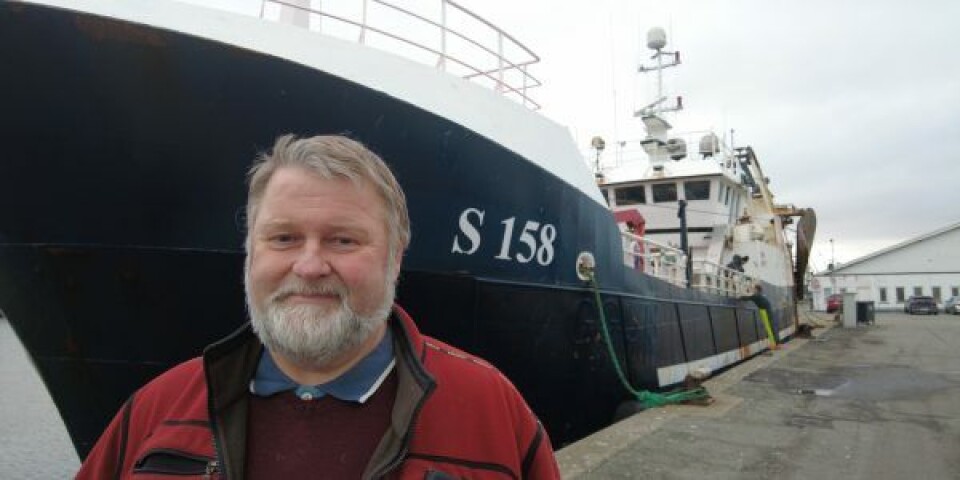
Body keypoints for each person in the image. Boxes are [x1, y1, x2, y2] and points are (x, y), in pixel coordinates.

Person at [78, 135, 560, 479]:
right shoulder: (153, 411)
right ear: (251, 252)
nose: (309, 266)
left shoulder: (493, 413)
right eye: (284, 238)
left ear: (394, 259)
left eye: (343, 240)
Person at [740, 284, 779, 351]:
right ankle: (776, 343)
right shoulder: (760, 295)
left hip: (765, 312)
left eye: (754, 289)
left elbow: (747, 298)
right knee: (771, 327)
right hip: (767, 311)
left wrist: (739, 297)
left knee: (769, 328)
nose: (753, 290)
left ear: (757, 290)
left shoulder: (756, 296)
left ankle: (774, 345)